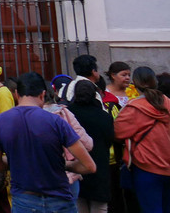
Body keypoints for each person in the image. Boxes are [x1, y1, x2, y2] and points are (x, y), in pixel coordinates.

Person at [0, 71, 96, 213]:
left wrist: (16, 160)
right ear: (42, 94)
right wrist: (64, 165)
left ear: (16, 94)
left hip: (24, 199)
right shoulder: (56, 121)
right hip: (59, 200)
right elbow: (89, 166)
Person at [113, 66, 170, 213]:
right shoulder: (168, 103)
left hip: (146, 168)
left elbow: (117, 133)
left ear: (135, 84)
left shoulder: (133, 108)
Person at [70, 80, 114, 213]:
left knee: (79, 205)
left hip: (75, 166)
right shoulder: (104, 117)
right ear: (95, 95)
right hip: (99, 166)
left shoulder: (68, 114)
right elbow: (109, 140)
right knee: (99, 208)